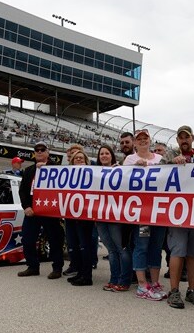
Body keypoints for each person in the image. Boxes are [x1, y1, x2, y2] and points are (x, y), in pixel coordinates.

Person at [165, 125, 194, 309]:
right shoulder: (170, 156)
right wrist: (170, 163)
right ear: (177, 140)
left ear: (192, 138)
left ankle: (192, 290)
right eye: (181, 137)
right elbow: (157, 174)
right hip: (178, 212)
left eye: (186, 137)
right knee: (178, 251)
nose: (184, 140)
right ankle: (174, 291)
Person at [124, 129, 167, 301]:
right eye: (139, 139)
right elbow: (123, 181)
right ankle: (142, 284)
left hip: (159, 211)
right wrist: (134, 168)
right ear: (135, 142)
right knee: (141, 245)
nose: (142, 141)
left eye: (145, 138)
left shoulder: (159, 159)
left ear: (150, 140)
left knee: (156, 246)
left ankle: (154, 282)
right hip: (142, 213)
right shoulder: (130, 159)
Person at [17, 141, 65, 279]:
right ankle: (32, 266)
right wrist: (26, 206)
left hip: (49, 210)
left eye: (42, 149)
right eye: (36, 150)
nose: (39, 151)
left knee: (55, 240)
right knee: (27, 239)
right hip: (32, 210)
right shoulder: (29, 170)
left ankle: (57, 268)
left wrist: (47, 168)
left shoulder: (56, 168)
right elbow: (22, 191)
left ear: (47, 152)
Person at [95, 145, 132, 292]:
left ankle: (125, 280)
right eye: (101, 154)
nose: (104, 156)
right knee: (111, 250)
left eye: (107, 153)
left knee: (121, 248)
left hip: (115, 216)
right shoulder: (94, 172)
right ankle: (114, 279)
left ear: (112, 156)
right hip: (100, 216)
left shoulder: (120, 170)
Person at [65, 150, 96, 286]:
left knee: (85, 246)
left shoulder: (92, 173)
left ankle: (87, 276)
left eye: (81, 158)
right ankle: (80, 272)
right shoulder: (67, 175)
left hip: (84, 216)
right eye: (76, 158)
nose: (78, 160)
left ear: (86, 161)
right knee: (74, 245)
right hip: (70, 215)